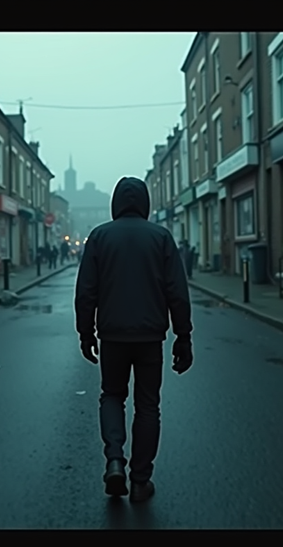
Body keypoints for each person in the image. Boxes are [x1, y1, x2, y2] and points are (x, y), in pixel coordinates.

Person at [74, 176, 193, 503]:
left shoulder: (99, 237)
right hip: (150, 337)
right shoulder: (161, 237)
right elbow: (177, 292)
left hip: (112, 336)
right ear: (145, 203)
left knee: (112, 395)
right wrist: (183, 336)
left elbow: (86, 291)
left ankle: (115, 459)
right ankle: (141, 480)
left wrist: (86, 333)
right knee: (148, 405)